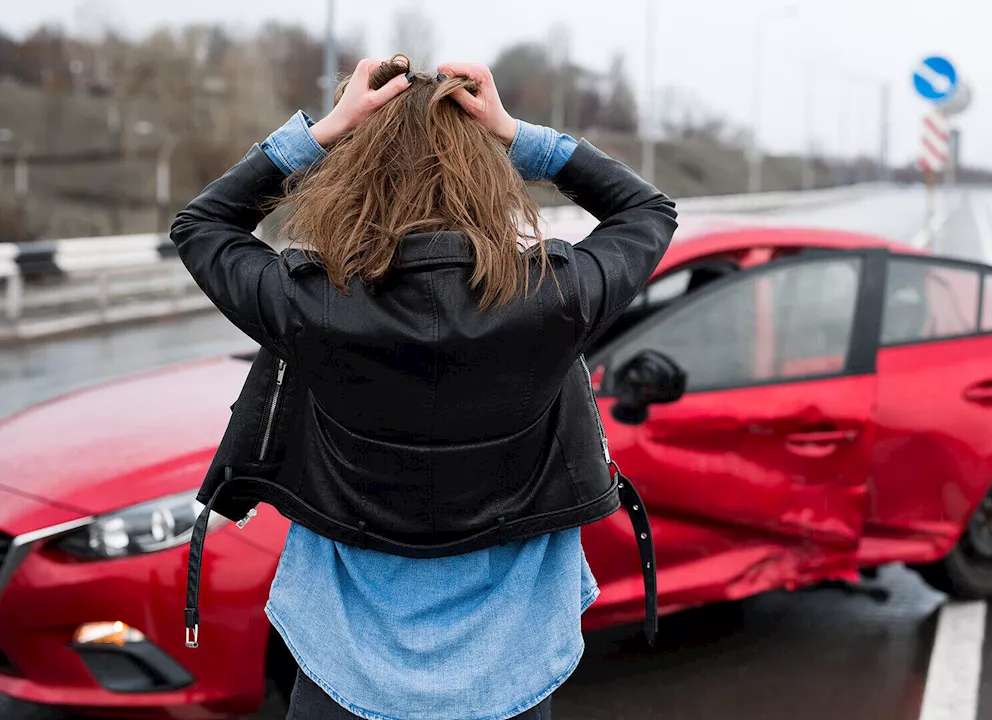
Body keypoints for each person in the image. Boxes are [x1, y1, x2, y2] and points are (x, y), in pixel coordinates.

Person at [169, 55, 676, 720]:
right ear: (489, 178)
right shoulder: (555, 299)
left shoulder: (309, 305)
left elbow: (201, 226)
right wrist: (519, 134)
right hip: (511, 673)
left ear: (354, 177)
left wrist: (326, 128)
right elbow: (647, 208)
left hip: (341, 674)